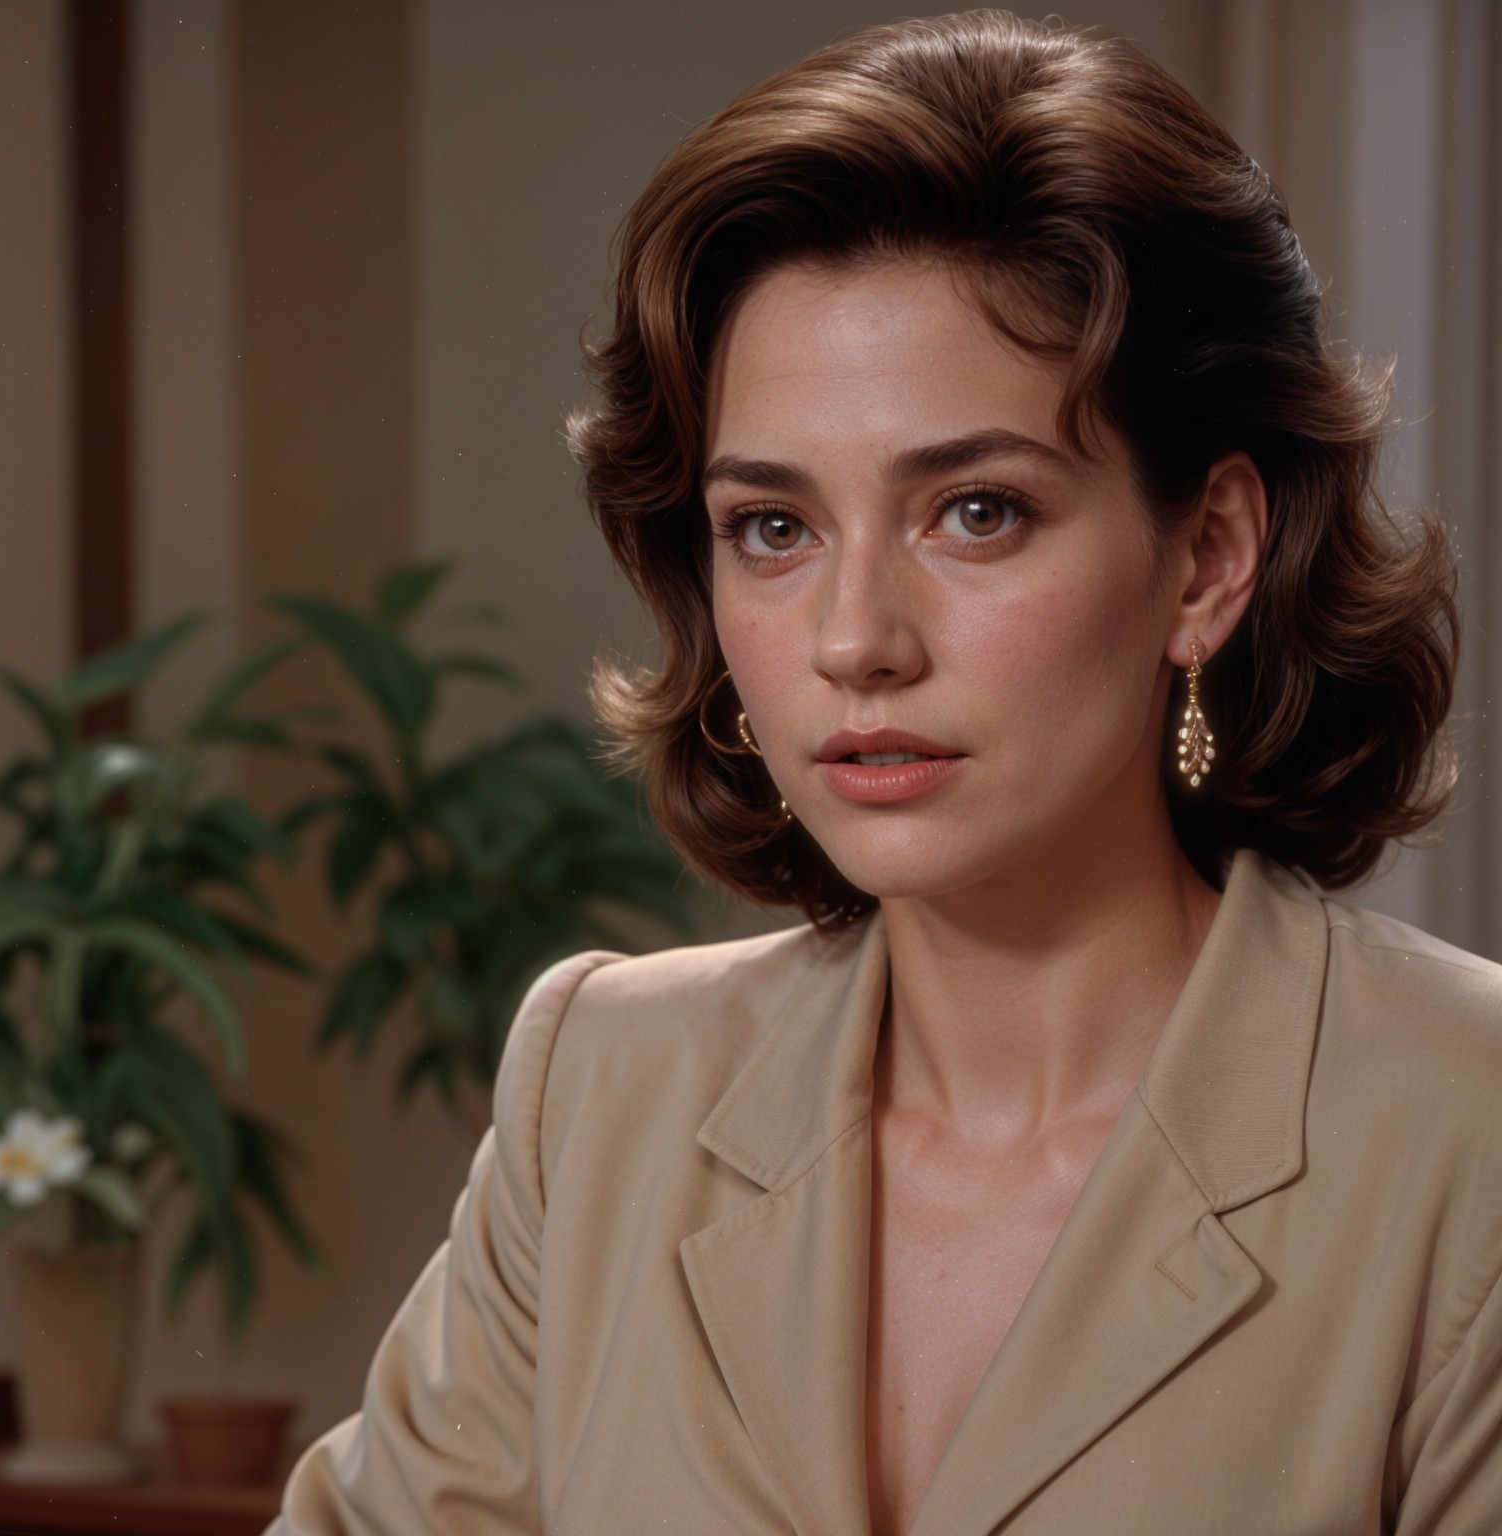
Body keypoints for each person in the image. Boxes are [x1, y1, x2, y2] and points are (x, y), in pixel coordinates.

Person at [267, 10, 1502, 1534]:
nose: (854, 641)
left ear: (1210, 555)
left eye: (975, 511)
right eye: (772, 529)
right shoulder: (600, 1091)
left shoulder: (1469, 1134)